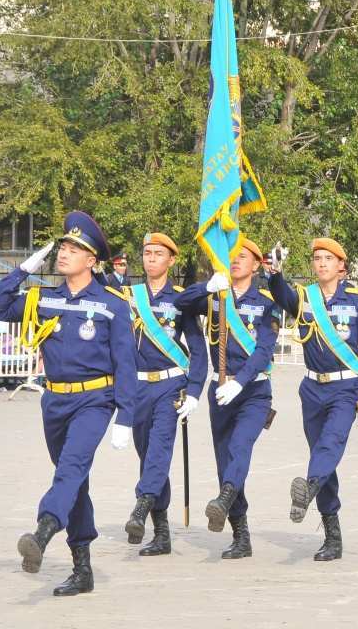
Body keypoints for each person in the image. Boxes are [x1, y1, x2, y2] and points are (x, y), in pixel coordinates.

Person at [0, 211, 137, 596]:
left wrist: (125, 416)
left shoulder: (112, 304)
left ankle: (43, 529)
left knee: (69, 470)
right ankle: (82, 568)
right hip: (54, 401)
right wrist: (23, 269)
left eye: (76, 249)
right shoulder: (45, 298)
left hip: (94, 400)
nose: (65, 253)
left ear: (92, 261)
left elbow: (126, 363)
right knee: (76, 482)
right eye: (63, 247)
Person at [267, 237, 358, 561]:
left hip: (345, 389)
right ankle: (332, 534)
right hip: (312, 389)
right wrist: (275, 271)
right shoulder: (306, 298)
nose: (321, 264)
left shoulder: (357, 301)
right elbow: (282, 295)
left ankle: (308, 489)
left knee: (330, 446)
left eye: (328, 259)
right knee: (321, 454)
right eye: (316, 258)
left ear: (341, 265)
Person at [175, 238, 277, 559]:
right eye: (232, 256)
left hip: (253, 392)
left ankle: (224, 498)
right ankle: (241, 534)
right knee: (225, 463)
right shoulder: (217, 296)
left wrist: (241, 381)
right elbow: (182, 304)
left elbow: (264, 350)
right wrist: (207, 286)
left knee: (239, 448)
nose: (235, 261)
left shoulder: (266, 302)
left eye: (242, 257)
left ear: (256, 265)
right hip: (219, 391)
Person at [122, 232, 207, 557]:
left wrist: (195, 390)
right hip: (138, 387)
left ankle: (141, 507)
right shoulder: (130, 297)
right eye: (147, 253)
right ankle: (162, 534)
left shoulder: (181, 299)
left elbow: (198, 350)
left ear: (171, 260)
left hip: (171, 386)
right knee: (148, 456)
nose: (151, 258)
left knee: (159, 450)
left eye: (159, 253)